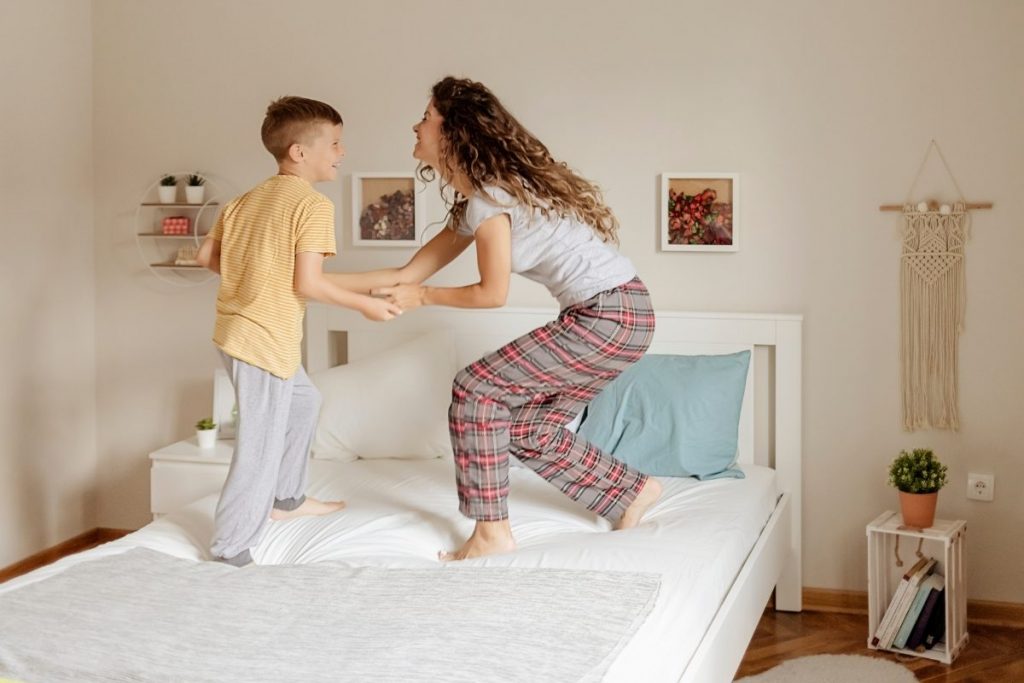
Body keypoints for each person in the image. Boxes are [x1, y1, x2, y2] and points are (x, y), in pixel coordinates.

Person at [336, 77, 661, 560]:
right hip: (620, 312)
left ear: (453, 132)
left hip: (608, 314)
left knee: (476, 388)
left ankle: (491, 534)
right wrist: (311, 283)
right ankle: (628, 491)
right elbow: (406, 273)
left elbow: (491, 294)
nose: (416, 125)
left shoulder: (492, 201)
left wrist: (423, 297)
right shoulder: (481, 202)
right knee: (529, 428)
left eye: (426, 117)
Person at [196, 96, 401, 566]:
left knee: (305, 401)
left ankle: (286, 499)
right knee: (260, 443)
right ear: (298, 152)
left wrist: (255, 278)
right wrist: (365, 306)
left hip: (238, 332)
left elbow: (207, 259)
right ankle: (230, 546)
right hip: (264, 339)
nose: (342, 152)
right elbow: (307, 283)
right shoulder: (312, 206)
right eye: (334, 142)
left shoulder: (244, 201)